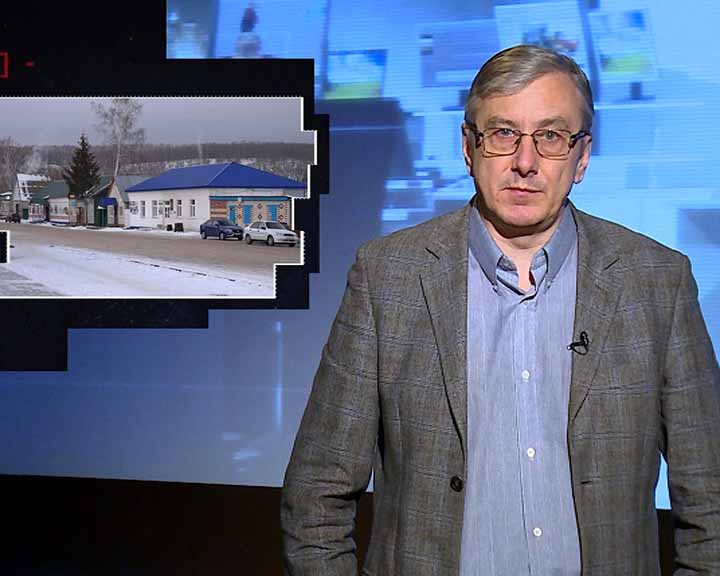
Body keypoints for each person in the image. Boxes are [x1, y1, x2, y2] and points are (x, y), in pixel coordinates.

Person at [281, 44, 720, 575]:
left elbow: (711, 499)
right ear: (469, 147)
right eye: (503, 133)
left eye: (551, 136)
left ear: (582, 156)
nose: (525, 162)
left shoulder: (656, 281)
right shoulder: (387, 277)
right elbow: (316, 495)